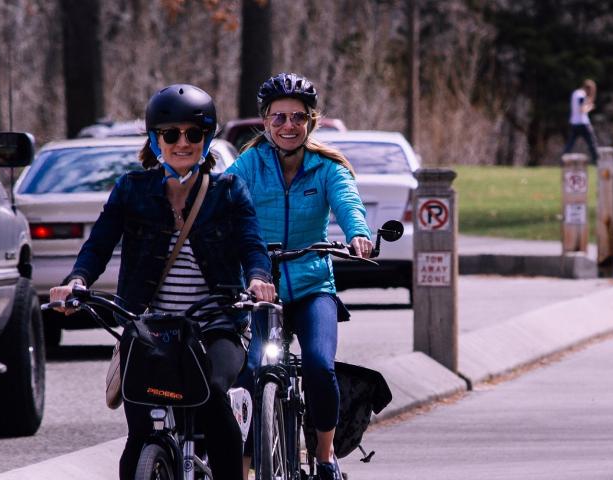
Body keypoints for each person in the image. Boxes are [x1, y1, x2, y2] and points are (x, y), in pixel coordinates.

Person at [49, 84, 275, 480]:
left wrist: (258, 279)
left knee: (215, 399)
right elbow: (98, 245)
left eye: (193, 134)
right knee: (139, 434)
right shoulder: (131, 190)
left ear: (207, 139)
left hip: (215, 326)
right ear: (155, 141)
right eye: (170, 134)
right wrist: (77, 282)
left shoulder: (228, 191)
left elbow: (252, 245)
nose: (182, 143)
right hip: (150, 329)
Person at [229, 72, 371, 480]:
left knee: (319, 367)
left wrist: (358, 234)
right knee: (251, 371)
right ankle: (243, 467)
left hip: (312, 286)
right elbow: (224, 200)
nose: (288, 126)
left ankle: (325, 457)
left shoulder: (327, 168)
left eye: (297, 117)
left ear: (312, 121)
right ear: (265, 121)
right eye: (278, 118)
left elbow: (348, 202)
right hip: (260, 288)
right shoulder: (250, 164)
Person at [562, 78, 599, 164]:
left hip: (574, 122)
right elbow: (582, 109)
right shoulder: (581, 95)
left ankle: (563, 160)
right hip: (583, 123)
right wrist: (590, 107)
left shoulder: (575, 93)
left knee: (570, 144)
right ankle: (597, 161)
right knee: (592, 143)